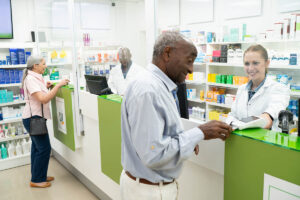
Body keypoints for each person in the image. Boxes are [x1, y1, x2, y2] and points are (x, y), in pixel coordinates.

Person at [120, 31, 232, 200]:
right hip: (147, 191)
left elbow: (161, 134)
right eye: (189, 61)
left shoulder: (160, 86)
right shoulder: (148, 90)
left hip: (149, 187)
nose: (191, 69)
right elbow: (154, 154)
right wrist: (199, 133)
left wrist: (186, 140)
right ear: (167, 53)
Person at [22, 56, 69, 188]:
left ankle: (39, 175)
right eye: (43, 64)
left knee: (37, 149)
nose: (45, 66)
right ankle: (37, 180)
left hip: (35, 118)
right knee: (44, 148)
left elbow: (39, 95)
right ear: (35, 66)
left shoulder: (35, 77)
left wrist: (46, 86)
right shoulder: (31, 79)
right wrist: (59, 85)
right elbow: (43, 99)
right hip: (33, 119)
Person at [226, 44, 290, 131]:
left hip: (263, 142)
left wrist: (265, 118)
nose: (250, 68)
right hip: (241, 140)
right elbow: (232, 115)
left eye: (255, 63)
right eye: (247, 64)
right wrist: (230, 123)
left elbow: (270, 115)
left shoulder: (279, 88)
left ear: (267, 63)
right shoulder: (242, 89)